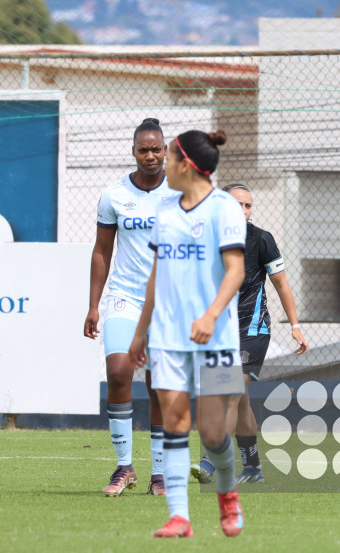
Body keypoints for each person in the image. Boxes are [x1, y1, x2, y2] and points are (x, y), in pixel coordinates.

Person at [129, 129, 247, 538]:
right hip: (167, 338)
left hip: (218, 339)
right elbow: (156, 276)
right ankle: (179, 516)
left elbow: (236, 270)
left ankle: (228, 491)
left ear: (186, 165)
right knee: (175, 422)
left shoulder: (224, 209)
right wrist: (141, 331)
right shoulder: (165, 211)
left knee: (214, 434)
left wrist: (212, 315)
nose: (163, 163)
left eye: (170, 157)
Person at [191, 183, 309, 486]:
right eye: (237, 205)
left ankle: (210, 460)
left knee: (229, 391)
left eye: (248, 205)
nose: (244, 211)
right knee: (239, 400)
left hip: (253, 330)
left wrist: (295, 326)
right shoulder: (206, 239)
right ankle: (253, 467)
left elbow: (282, 285)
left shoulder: (261, 239)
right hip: (220, 330)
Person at [84, 117, 172, 497]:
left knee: (160, 386)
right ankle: (124, 468)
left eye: (156, 149)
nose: (150, 155)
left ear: (166, 151)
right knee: (119, 372)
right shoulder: (113, 195)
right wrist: (93, 306)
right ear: (133, 151)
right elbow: (102, 251)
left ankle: (160, 474)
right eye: (143, 149)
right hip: (125, 296)